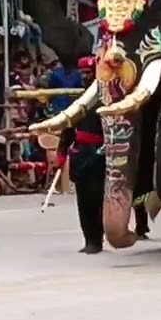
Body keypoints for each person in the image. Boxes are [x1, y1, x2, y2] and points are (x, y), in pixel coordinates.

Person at [55, 88, 106, 253]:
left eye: (89, 73)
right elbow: (67, 130)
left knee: (95, 198)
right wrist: (61, 153)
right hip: (80, 154)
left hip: (99, 153)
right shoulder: (78, 101)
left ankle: (96, 240)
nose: (85, 76)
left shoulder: (105, 100)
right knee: (82, 201)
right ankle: (88, 239)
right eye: (83, 73)